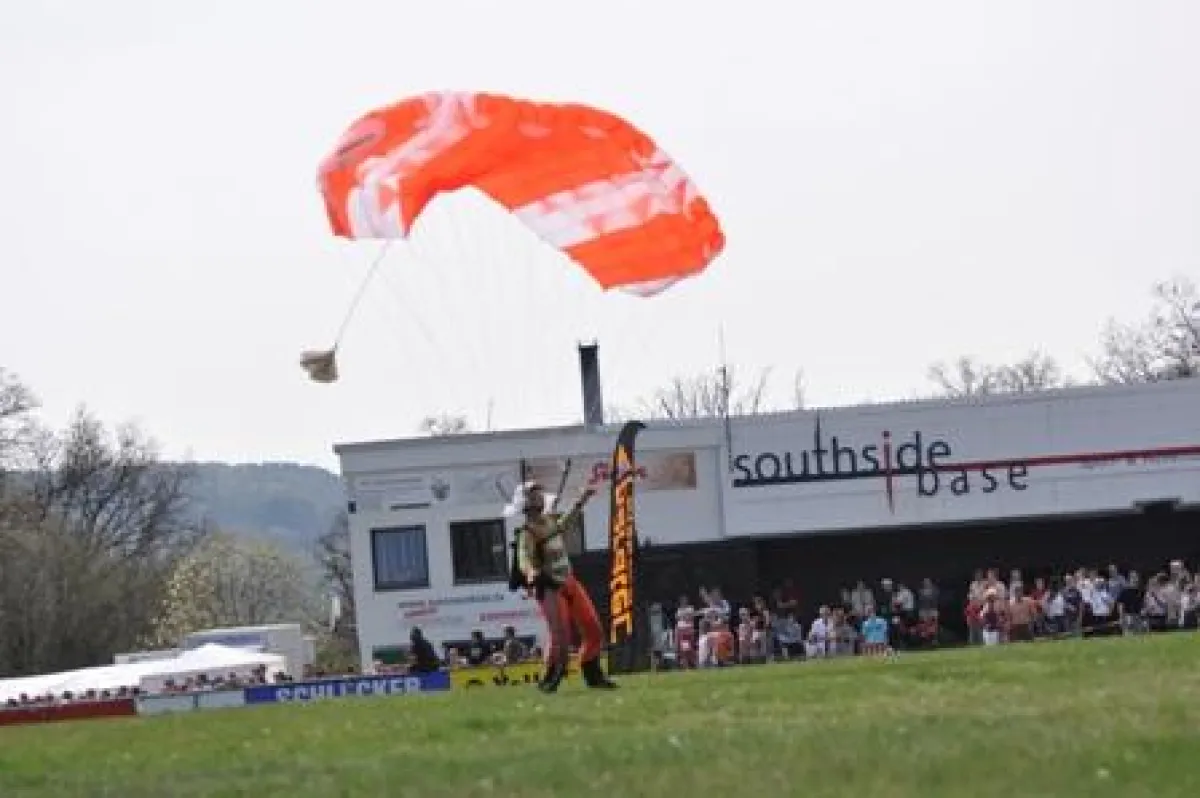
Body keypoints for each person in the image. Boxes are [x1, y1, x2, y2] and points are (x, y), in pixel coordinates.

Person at [508, 479, 616, 692]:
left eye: (539, 492)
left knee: (593, 629)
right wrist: (530, 572)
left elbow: (565, 522)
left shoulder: (549, 522)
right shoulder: (527, 533)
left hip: (569, 581)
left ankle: (593, 674)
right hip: (550, 587)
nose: (539, 496)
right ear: (527, 503)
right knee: (561, 637)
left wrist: (582, 499)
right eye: (533, 494)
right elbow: (523, 557)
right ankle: (549, 680)